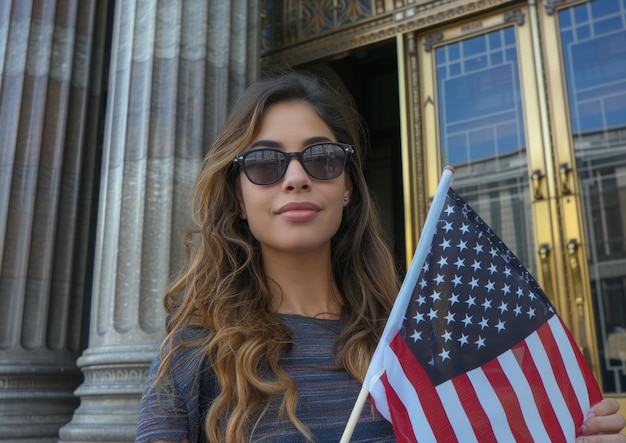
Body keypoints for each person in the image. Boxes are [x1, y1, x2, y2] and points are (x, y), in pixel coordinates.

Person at [136, 70, 625, 442]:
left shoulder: (416, 345)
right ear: (238, 197)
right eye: (264, 163)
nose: (296, 177)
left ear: (347, 186)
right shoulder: (192, 356)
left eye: (321, 157)